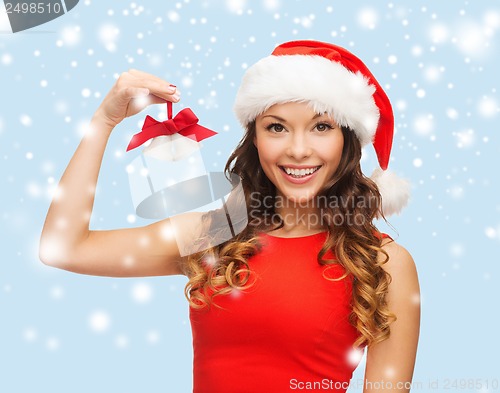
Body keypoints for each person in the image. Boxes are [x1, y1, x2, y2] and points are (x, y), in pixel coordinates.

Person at [40, 40, 420, 393]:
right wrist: (104, 122)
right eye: (276, 127)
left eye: (321, 127)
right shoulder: (213, 235)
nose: (299, 149)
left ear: (348, 139)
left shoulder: (383, 263)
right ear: (255, 137)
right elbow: (63, 247)